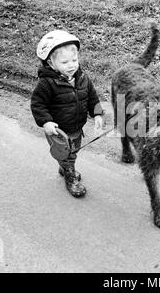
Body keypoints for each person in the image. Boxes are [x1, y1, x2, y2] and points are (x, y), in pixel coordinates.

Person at [31, 29, 104, 198]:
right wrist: (46, 122)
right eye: (65, 62)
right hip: (59, 132)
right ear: (50, 63)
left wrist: (98, 114)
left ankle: (65, 166)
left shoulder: (83, 78)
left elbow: (93, 98)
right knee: (69, 155)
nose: (71, 65)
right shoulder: (47, 84)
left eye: (74, 59)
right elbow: (37, 105)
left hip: (77, 127)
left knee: (73, 151)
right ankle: (69, 175)